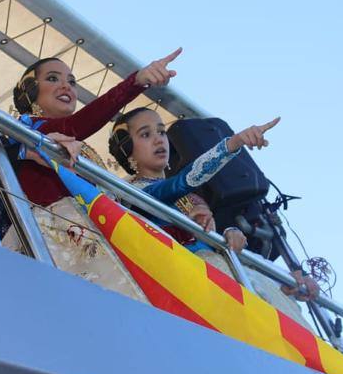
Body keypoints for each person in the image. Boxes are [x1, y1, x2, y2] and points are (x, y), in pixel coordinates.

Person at [108, 107, 318, 324]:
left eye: (161, 132)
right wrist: (232, 144)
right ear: (127, 149)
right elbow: (183, 181)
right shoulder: (130, 193)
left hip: (222, 277)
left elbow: (213, 243)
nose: (158, 140)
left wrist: (279, 278)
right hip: (191, 292)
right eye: (145, 134)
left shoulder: (191, 198)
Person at [0, 49, 180, 295]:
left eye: (72, 82)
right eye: (53, 78)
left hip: (92, 232)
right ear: (30, 90)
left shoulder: (79, 145)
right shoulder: (26, 129)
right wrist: (135, 83)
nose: (66, 87)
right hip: (58, 236)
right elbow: (78, 124)